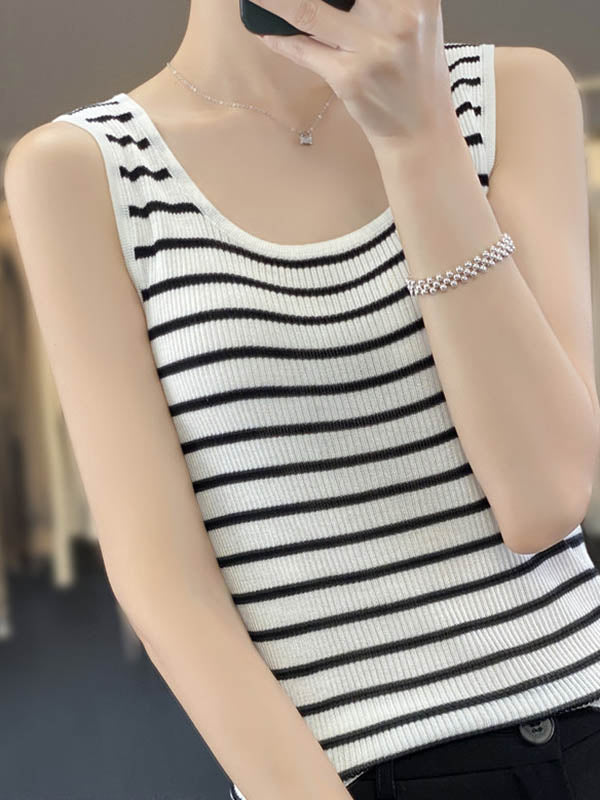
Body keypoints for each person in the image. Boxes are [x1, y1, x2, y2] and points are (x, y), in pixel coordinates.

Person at [5, 1, 600, 798]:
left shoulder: (513, 92)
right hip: (350, 772)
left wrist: (418, 137)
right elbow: (167, 590)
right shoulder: (80, 169)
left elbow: (545, 500)